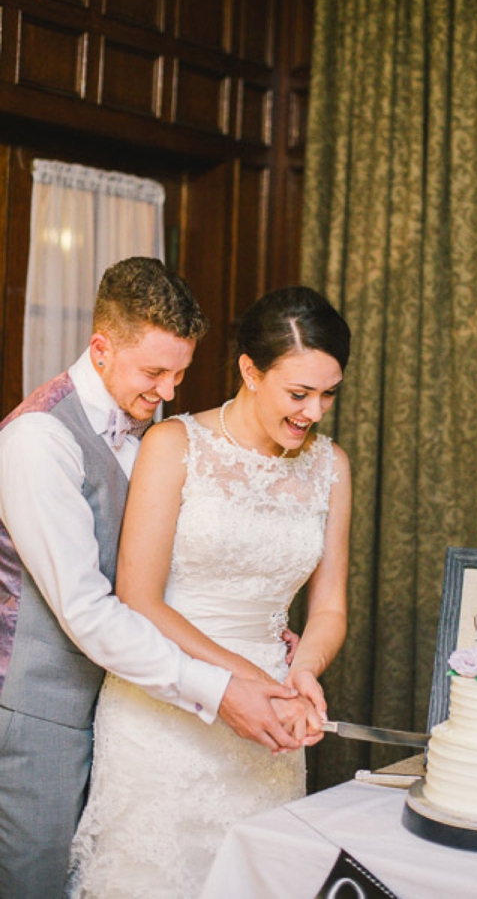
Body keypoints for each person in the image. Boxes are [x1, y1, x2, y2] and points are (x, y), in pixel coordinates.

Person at [0, 258, 304, 899]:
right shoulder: (38, 440)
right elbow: (87, 611)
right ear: (101, 348)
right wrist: (218, 689)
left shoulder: (149, 432)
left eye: (181, 374)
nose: (168, 391)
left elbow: (165, 566)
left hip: (121, 712)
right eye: (154, 372)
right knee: (36, 885)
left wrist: (252, 621)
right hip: (37, 713)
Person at [67, 285, 352, 898]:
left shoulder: (332, 466)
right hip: (162, 714)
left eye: (329, 393)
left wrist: (304, 668)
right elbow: (139, 598)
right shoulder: (174, 446)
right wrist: (244, 677)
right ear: (250, 371)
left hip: (270, 721)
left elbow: (328, 605)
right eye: (299, 393)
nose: (314, 412)